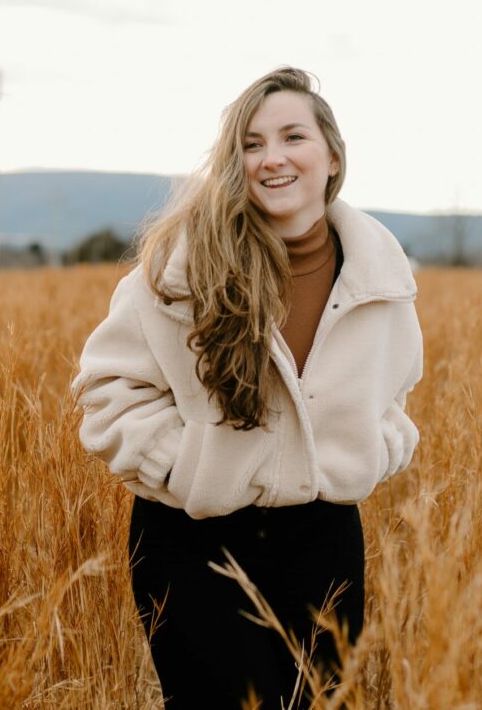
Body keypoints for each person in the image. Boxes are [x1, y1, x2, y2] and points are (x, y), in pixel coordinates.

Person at [70, 67, 423, 709]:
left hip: (324, 540)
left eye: (293, 137)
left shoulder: (380, 274)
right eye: (252, 144)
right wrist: (186, 469)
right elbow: (107, 390)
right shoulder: (180, 264)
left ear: (333, 156)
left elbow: (395, 391)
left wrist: (374, 449)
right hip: (194, 540)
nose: (272, 158)